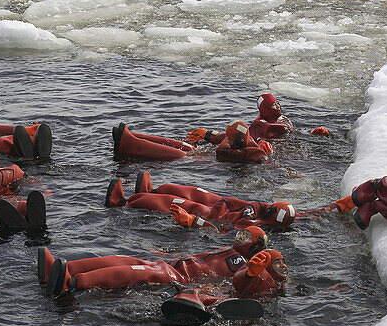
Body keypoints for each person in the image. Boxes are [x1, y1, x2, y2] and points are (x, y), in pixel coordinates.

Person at [39, 225, 267, 298]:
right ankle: (63, 268)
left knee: (130, 272)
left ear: (257, 246)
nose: (240, 236)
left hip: (177, 277)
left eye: (247, 237)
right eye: (242, 233)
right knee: (120, 260)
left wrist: (201, 291)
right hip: (171, 265)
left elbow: (240, 285)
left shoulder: (246, 266)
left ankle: (71, 284)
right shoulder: (227, 249)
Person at [105, 171, 301, 231]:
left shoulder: (254, 225)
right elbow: (305, 215)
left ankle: (123, 202)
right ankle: (150, 191)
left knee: (183, 204)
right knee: (196, 192)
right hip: (225, 205)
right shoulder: (269, 216)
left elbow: (221, 232)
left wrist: (193, 221)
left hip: (216, 216)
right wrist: (332, 208)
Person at [160, 249, 288, 325]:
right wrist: (250, 273)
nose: (283, 266)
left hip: (241, 303)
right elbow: (239, 281)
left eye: (284, 262)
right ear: (267, 266)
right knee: (206, 295)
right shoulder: (260, 274)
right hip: (227, 295)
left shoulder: (285, 285)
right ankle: (188, 299)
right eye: (277, 263)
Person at [113, 120, 272, 163]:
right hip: (212, 158)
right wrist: (207, 134)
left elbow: (221, 149)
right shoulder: (243, 139)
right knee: (188, 147)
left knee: (184, 156)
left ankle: (130, 145)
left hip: (211, 161)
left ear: (239, 139)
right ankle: (132, 135)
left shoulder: (257, 154)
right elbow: (223, 138)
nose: (228, 141)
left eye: (232, 140)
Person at [188, 93, 294, 142]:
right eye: (274, 105)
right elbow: (243, 138)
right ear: (265, 108)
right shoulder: (260, 123)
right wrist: (209, 135)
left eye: (277, 103)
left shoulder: (281, 119)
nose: (278, 106)